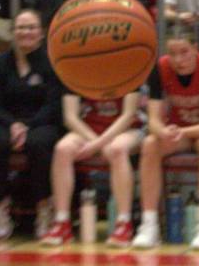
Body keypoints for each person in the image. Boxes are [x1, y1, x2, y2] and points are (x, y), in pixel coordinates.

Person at [132, 27, 199, 250]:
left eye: (184, 52)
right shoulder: (160, 68)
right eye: (173, 53)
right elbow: (153, 119)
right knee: (149, 145)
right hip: (180, 131)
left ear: (195, 49)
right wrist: (162, 131)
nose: (178, 59)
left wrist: (182, 132)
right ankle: (149, 225)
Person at [40, 89, 143, 247]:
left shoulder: (126, 68)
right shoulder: (77, 67)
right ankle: (62, 222)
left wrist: (98, 144)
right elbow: (70, 117)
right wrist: (97, 143)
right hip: (90, 130)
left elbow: (128, 116)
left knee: (117, 149)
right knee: (62, 149)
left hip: (126, 129)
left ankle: (124, 223)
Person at [0, 9, 64, 242]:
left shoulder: (51, 62)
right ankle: (2, 209)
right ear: (13, 32)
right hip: (7, 122)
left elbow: (54, 105)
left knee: (40, 142)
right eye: (21, 27)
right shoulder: (2, 62)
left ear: (41, 33)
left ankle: (43, 208)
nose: (25, 32)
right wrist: (13, 124)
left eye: (31, 27)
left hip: (41, 122)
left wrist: (26, 126)